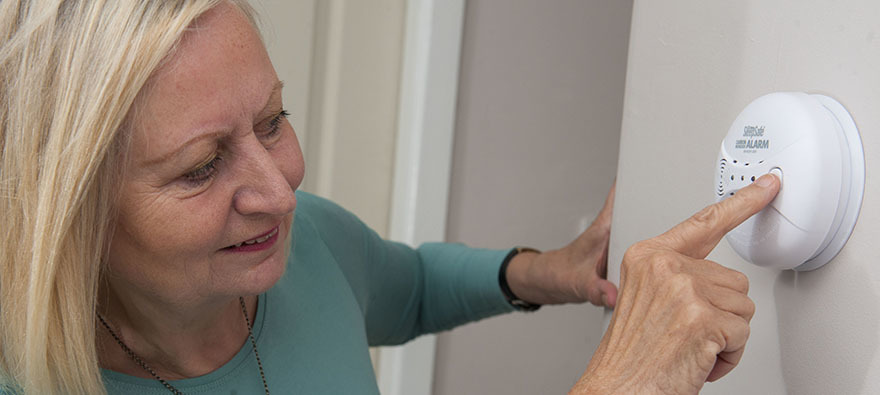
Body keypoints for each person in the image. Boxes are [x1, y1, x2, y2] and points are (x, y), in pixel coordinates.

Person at [0, 1, 780, 394]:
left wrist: (544, 271)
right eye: (204, 166)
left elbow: (405, 283)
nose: (280, 189)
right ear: (74, 214)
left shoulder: (302, 251)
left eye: (273, 121)